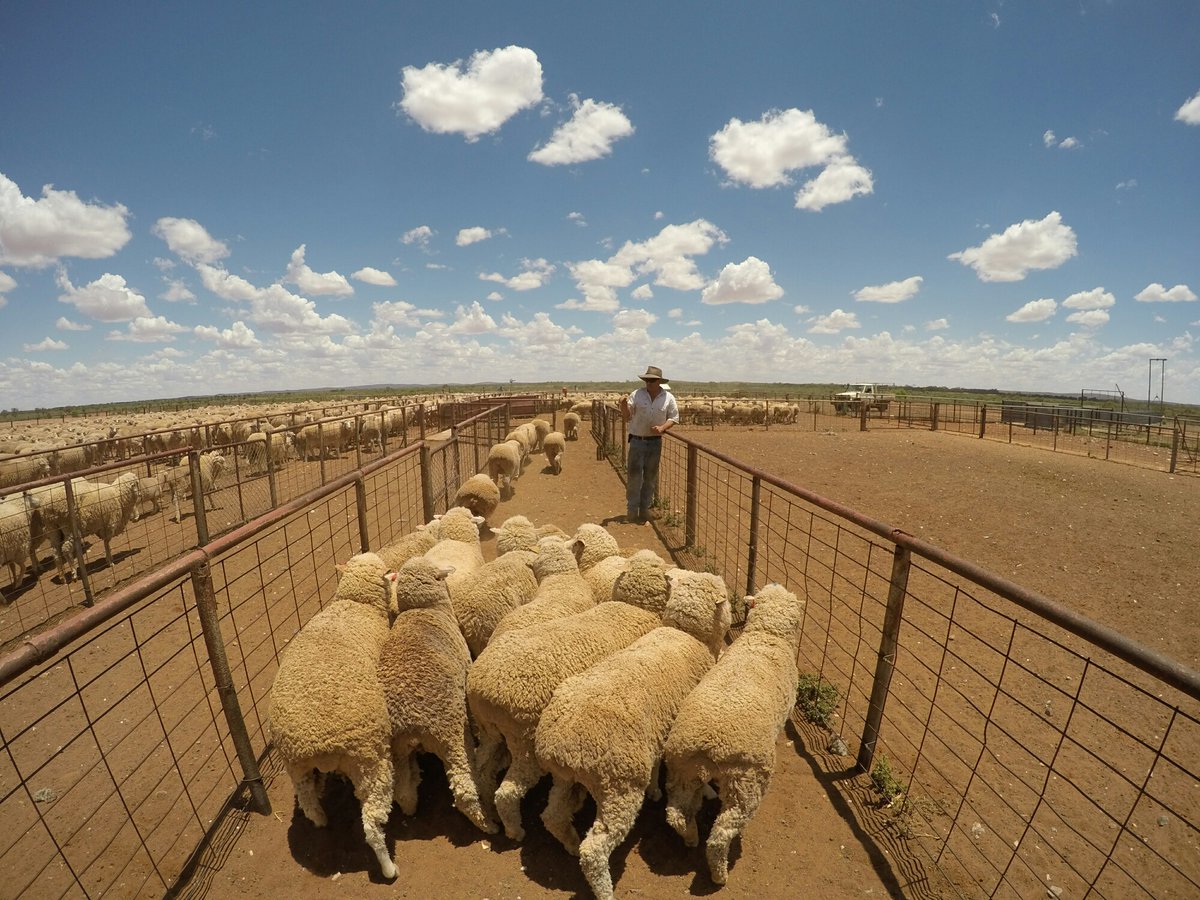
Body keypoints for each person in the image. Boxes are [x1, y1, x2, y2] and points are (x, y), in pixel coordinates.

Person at [618, 365, 680, 524]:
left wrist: (663, 428)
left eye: (652, 380)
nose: (649, 383)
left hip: (654, 442)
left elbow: (673, 418)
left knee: (650, 478)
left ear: (659, 381)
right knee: (634, 477)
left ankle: (644, 510)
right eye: (647, 380)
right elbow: (626, 416)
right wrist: (623, 404)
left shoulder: (668, 398)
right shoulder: (637, 394)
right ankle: (632, 511)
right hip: (637, 440)